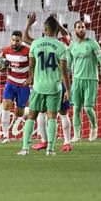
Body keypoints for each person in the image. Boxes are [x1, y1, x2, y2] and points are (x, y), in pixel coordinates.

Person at [18, 16, 70, 156]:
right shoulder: (61, 46)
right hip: (54, 87)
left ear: (44, 29)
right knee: (52, 117)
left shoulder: (36, 43)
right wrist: (68, 90)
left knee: (32, 117)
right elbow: (64, 71)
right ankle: (50, 150)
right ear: (56, 30)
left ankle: (24, 149)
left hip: (38, 86)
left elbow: (31, 65)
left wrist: (33, 77)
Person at [68, 21, 101, 142]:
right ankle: (76, 135)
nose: (81, 29)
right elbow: (68, 65)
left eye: (83, 27)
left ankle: (94, 127)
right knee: (76, 108)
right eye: (79, 27)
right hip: (76, 81)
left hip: (91, 80)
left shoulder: (93, 44)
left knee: (87, 108)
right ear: (75, 30)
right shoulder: (72, 46)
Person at [0, 31, 30, 144]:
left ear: (21, 41)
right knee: (6, 105)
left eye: (17, 40)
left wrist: (30, 78)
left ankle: (32, 112)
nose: (14, 42)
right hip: (10, 83)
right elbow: (2, 64)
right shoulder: (6, 51)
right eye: (13, 40)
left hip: (23, 85)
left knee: (19, 113)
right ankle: (5, 136)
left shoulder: (27, 51)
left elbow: (34, 66)